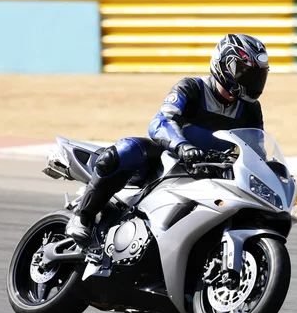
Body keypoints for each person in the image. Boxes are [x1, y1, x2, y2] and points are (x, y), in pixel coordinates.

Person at [65, 33, 270, 244]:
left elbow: (255, 149)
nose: (251, 82)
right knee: (126, 150)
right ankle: (83, 216)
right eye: (245, 73)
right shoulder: (193, 88)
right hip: (168, 158)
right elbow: (161, 122)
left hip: (210, 168)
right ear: (224, 66)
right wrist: (182, 146)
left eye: (256, 75)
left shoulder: (250, 109)